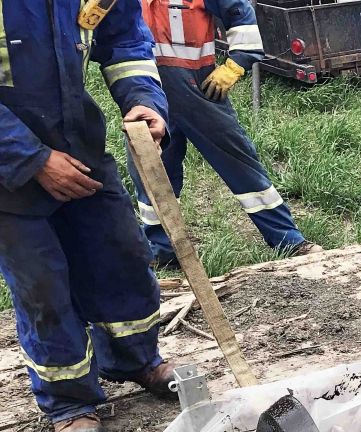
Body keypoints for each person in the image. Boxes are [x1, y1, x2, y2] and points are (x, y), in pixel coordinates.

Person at [0, 0, 177, 432]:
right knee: (42, 284)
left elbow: (125, 40)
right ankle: (69, 401)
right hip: (7, 170)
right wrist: (31, 159)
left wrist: (142, 100)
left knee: (121, 254)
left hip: (80, 145)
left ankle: (136, 360)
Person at [131, 0, 322, 268]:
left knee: (239, 163)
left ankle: (288, 240)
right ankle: (161, 249)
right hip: (145, 91)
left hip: (197, 89)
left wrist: (235, 64)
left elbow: (241, 16)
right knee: (150, 170)